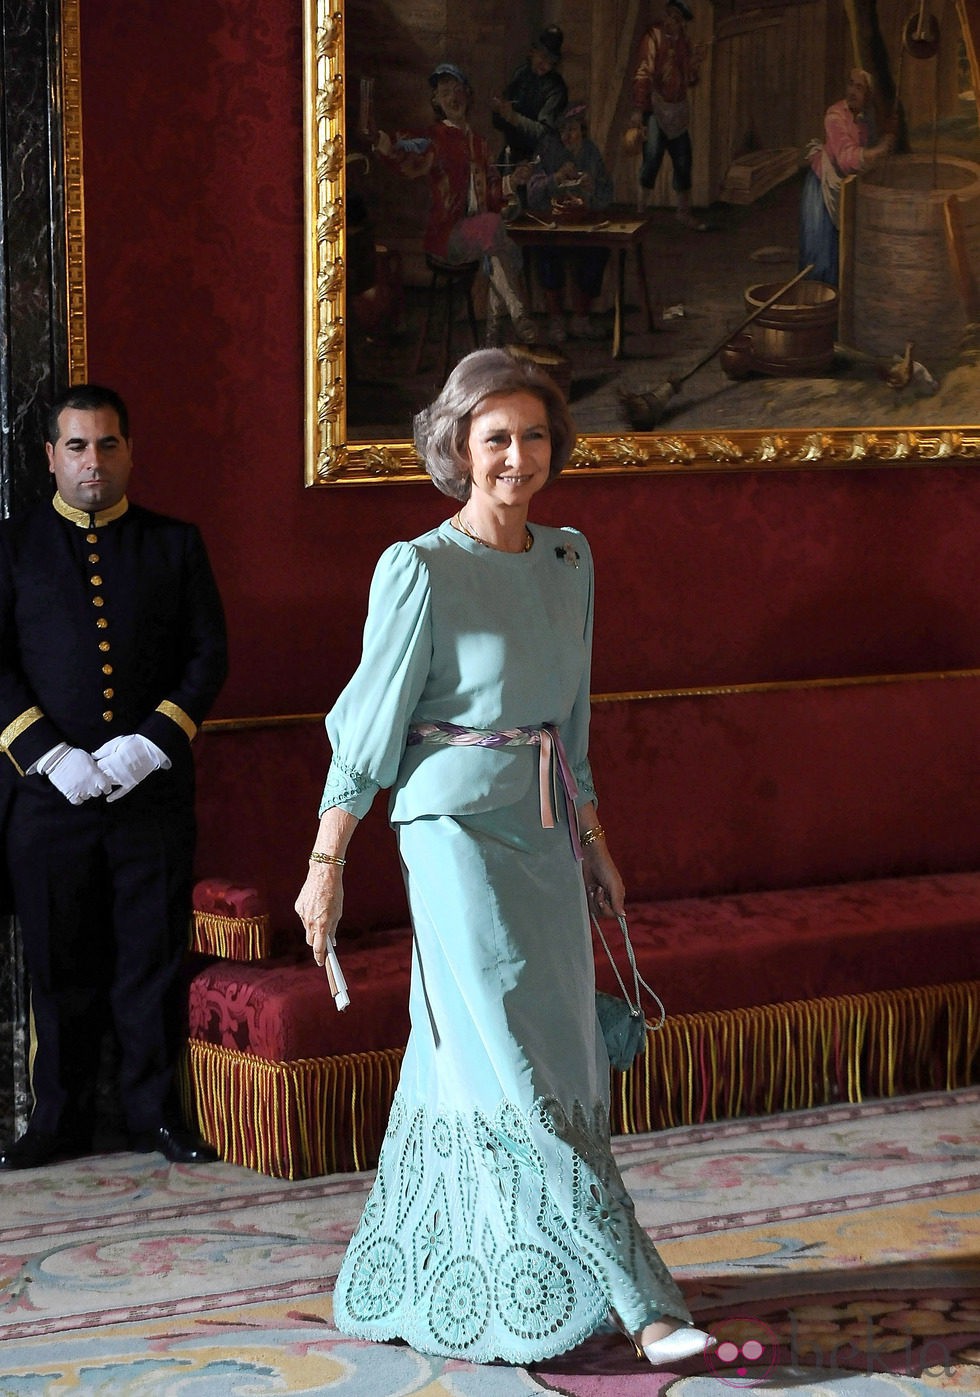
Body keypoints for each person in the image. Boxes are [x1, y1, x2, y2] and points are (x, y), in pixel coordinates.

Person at [295, 349, 715, 1366]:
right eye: (494, 439)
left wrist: (594, 842)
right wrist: (326, 860)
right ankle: (641, 1298)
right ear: (456, 447)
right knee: (516, 1059)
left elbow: (566, 722)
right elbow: (367, 731)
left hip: (540, 833)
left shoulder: (568, 558)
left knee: (523, 1058)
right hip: (449, 838)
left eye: (532, 437)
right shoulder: (418, 567)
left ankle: (432, 1271)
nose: (515, 458)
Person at [0, 384, 228, 1169]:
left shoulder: (175, 544)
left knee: (150, 960)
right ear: (50, 458)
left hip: (149, 797)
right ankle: (56, 1123)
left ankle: (155, 1115)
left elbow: (208, 655)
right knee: (58, 967)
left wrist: (152, 742)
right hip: (45, 801)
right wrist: (45, 753)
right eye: (75, 446)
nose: (91, 461)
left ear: (129, 451)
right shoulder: (13, 545)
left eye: (106, 445)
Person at [376, 63, 536, 346]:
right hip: (447, 238)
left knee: (500, 244)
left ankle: (493, 336)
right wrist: (391, 149)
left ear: (468, 95)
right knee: (497, 234)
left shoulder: (480, 144)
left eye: (458, 90)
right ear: (436, 100)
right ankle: (518, 316)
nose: (454, 98)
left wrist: (514, 180)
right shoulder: (435, 139)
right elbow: (411, 157)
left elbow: (494, 196)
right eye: (445, 92)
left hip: (480, 235)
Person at [527, 104, 614, 342]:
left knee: (597, 251)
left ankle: (581, 319)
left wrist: (592, 187)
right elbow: (532, 193)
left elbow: (607, 194)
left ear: (582, 130)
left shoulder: (590, 152)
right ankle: (556, 319)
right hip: (553, 224)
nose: (567, 136)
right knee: (545, 250)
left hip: (583, 223)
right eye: (562, 130)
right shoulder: (546, 151)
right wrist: (554, 179)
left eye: (572, 129)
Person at [800, 68, 894, 287]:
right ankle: (817, 310)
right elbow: (845, 158)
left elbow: (871, 150)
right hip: (824, 189)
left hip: (849, 188)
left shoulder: (868, 117)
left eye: (859, 87)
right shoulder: (835, 115)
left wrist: (886, 134)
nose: (852, 91)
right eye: (850, 84)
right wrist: (880, 150)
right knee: (822, 258)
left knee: (849, 256)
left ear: (869, 94)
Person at [627, 0, 707, 230]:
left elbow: (690, 80)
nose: (673, 22)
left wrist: (694, 63)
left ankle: (683, 212)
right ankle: (641, 211)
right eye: (671, 16)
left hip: (677, 108)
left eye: (678, 19)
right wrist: (639, 108)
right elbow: (644, 71)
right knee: (652, 157)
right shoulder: (653, 37)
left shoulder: (684, 42)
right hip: (655, 108)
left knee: (684, 159)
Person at [491, 24, 568, 166]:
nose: (545, 65)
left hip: (539, 162)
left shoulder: (556, 89)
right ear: (532, 51)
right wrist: (499, 111)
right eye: (543, 57)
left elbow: (545, 134)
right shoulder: (521, 74)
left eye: (551, 61)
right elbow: (501, 120)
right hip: (512, 156)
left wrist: (512, 117)